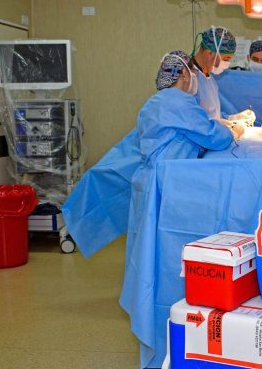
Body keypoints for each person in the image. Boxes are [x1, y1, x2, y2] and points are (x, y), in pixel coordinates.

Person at [62, 51, 242, 258]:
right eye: (193, 72)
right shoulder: (179, 102)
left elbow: (187, 131)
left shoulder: (155, 102)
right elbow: (213, 137)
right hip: (167, 185)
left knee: (145, 248)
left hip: (149, 181)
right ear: (184, 73)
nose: (195, 78)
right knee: (165, 248)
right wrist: (233, 131)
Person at [190, 26, 255, 123]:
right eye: (226, 59)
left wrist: (234, 118)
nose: (227, 64)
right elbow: (193, 120)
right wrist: (226, 125)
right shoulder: (189, 79)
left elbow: (214, 115)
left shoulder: (209, 79)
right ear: (209, 53)